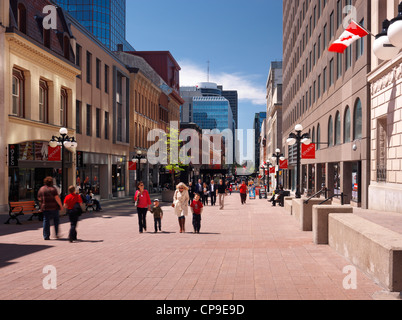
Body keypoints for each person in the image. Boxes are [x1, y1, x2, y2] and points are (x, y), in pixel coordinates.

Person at [37, 176, 63, 240]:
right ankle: (56, 234)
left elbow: (39, 198)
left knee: (46, 221)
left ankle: (46, 236)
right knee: (56, 220)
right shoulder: (53, 189)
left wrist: (41, 205)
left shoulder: (42, 189)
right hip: (54, 207)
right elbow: (57, 198)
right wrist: (61, 206)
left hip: (45, 207)